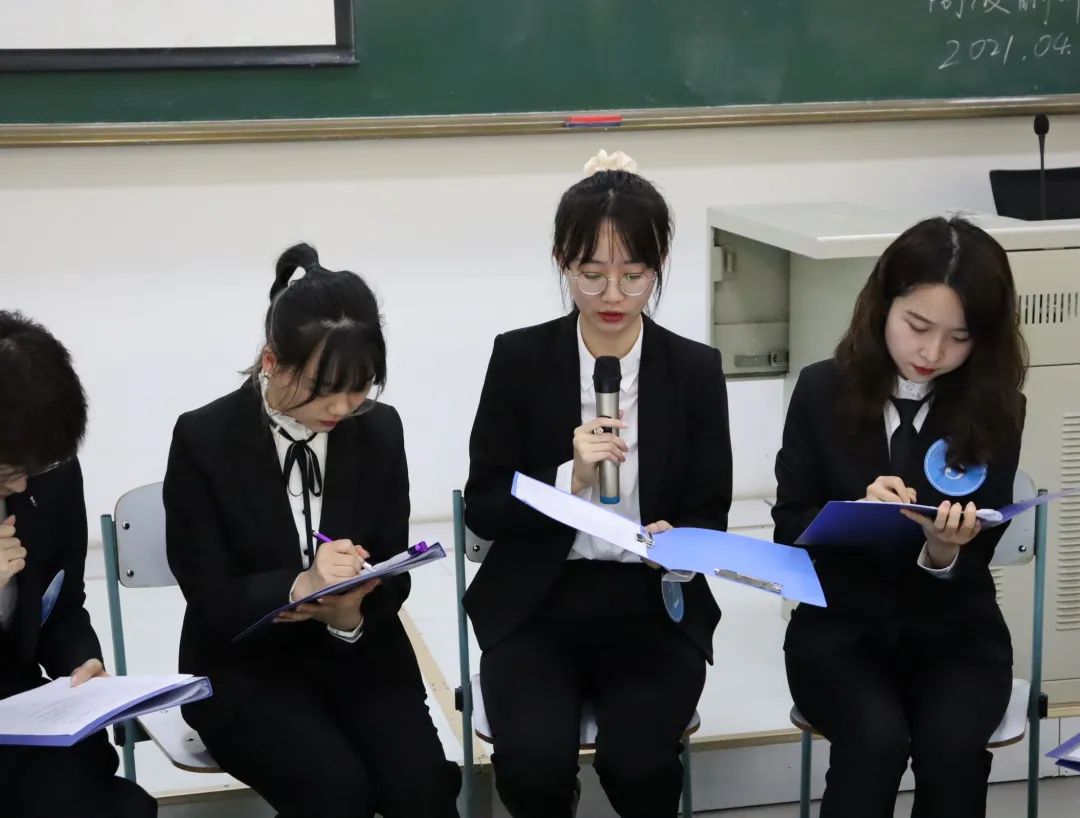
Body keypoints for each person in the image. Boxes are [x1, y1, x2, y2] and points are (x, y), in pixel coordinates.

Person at [464, 150, 733, 818]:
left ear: (659, 265)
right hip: (538, 602)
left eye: (633, 275)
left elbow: (711, 514)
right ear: (563, 262)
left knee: (639, 764)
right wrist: (567, 480)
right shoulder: (520, 359)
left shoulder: (694, 371)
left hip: (651, 606)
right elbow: (485, 504)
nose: (613, 296)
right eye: (591, 275)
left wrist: (681, 545)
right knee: (531, 767)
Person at [164, 244, 460, 818]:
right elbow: (208, 593)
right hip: (247, 670)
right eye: (324, 387)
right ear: (271, 361)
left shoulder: (378, 430)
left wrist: (349, 615)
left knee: (422, 788)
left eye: (361, 386)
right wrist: (297, 587)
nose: (343, 407)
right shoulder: (205, 438)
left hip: (361, 655)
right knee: (335, 793)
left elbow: (393, 568)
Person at [774, 217, 1028, 818]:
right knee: (874, 744)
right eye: (917, 326)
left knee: (952, 750)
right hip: (840, 633)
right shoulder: (821, 390)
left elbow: (980, 551)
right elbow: (789, 525)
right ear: (882, 304)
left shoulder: (997, 407)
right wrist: (855, 516)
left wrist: (942, 550)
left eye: (959, 337)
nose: (932, 353)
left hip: (956, 636)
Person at [0, 309, 157, 818]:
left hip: (17, 707)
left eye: (34, 467)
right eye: (6, 470)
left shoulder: (52, 471)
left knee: (122, 804)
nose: (22, 485)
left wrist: (82, 665)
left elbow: (62, 604)